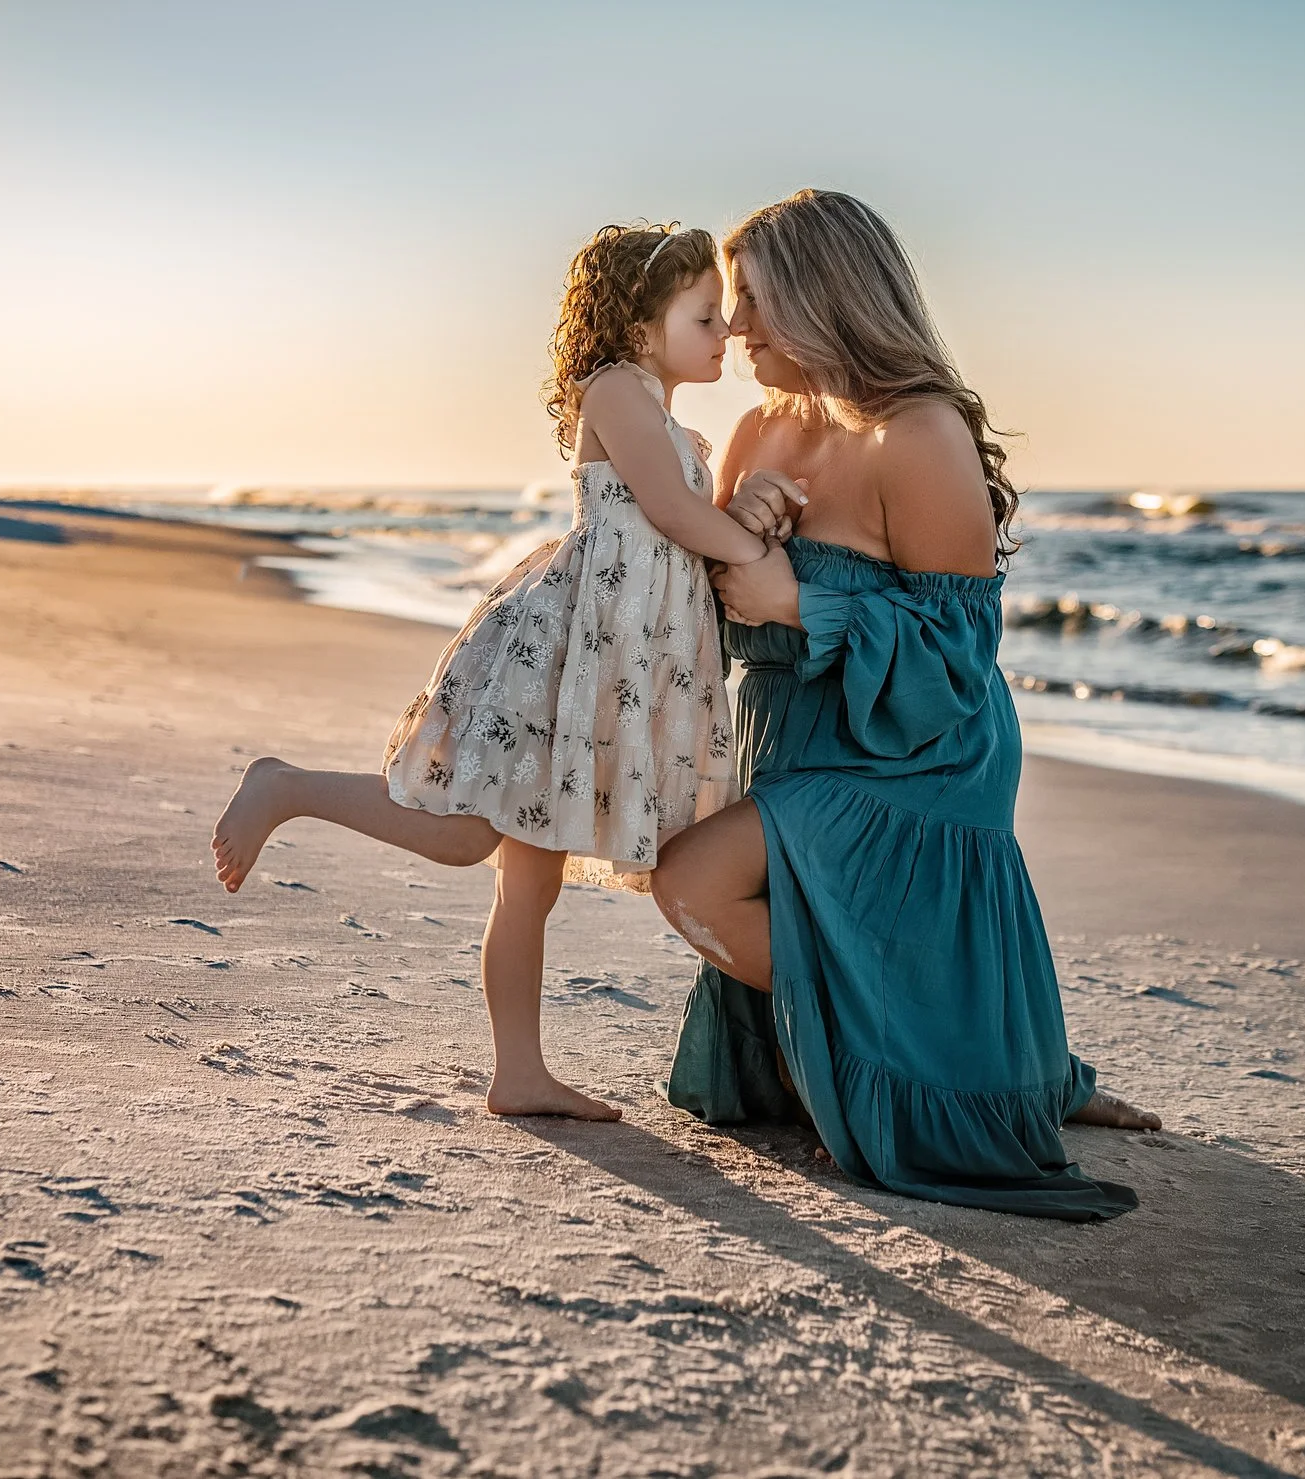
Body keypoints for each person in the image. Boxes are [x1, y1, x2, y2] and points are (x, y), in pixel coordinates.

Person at [650, 189, 1154, 1219]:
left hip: (916, 754)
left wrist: (802, 595)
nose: (736, 327)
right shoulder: (756, 429)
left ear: (829, 297)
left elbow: (958, 655)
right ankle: (991, 1058)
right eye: (731, 304)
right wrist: (734, 533)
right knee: (701, 883)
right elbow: (716, 606)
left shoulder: (916, 436)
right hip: (794, 733)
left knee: (689, 884)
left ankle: (965, 1069)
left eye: (756, 301)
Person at [211, 223, 762, 1120]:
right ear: (639, 323)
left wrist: (756, 517)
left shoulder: (678, 427)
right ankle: (285, 787)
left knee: (529, 881)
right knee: (470, 837)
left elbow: (683, 529)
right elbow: (665, 509)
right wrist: (749, 545)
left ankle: (519, 1071)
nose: (726, 332)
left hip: (601, 671)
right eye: (705, 316)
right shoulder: (618, 389)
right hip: (560, 662)